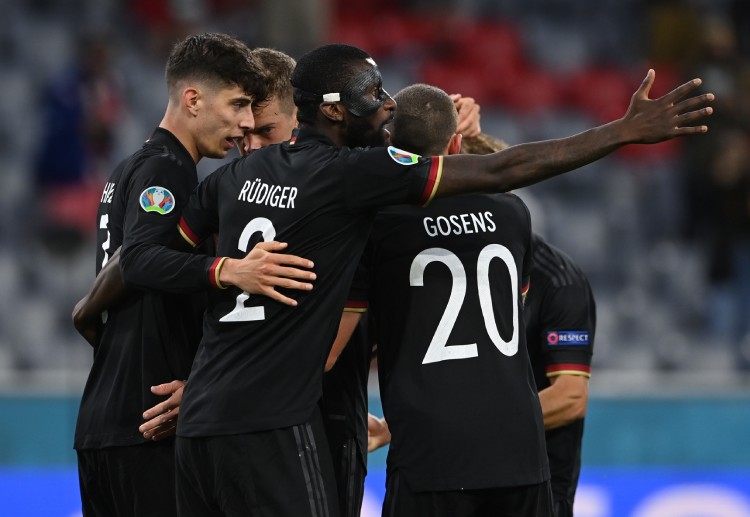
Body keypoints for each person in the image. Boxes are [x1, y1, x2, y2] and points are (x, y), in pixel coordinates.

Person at [117, 43, 712, 516]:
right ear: (332, 109)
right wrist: (620, 132)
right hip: (279, 426)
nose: (385, 105)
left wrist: (218, 279)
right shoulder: (360, 179)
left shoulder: (231, 179)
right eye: (372, 94)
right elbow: (503, 169)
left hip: (202, 429)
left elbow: (142, 258)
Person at [72, 33, 315, 517]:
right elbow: (139, 260)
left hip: (106, 420)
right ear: (193, 99)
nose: (245, 123)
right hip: (150, 423)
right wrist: (229, 270)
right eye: (237, 105)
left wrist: (88, 311)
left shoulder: (130, 168)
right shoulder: (170, 171)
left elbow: (120, 279)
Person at [351, 83, 547, 516]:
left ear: (389, 146)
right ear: (457, 143)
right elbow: (516, 307)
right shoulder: (512, 211)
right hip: (520, 447)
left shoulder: (379, 223)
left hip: (431, 451)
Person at [524, 233, 596, 517]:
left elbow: (571, 397)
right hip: (467, 479)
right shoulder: (457, 269)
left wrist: (482, 430)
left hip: (540, 488)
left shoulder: (559, 280)